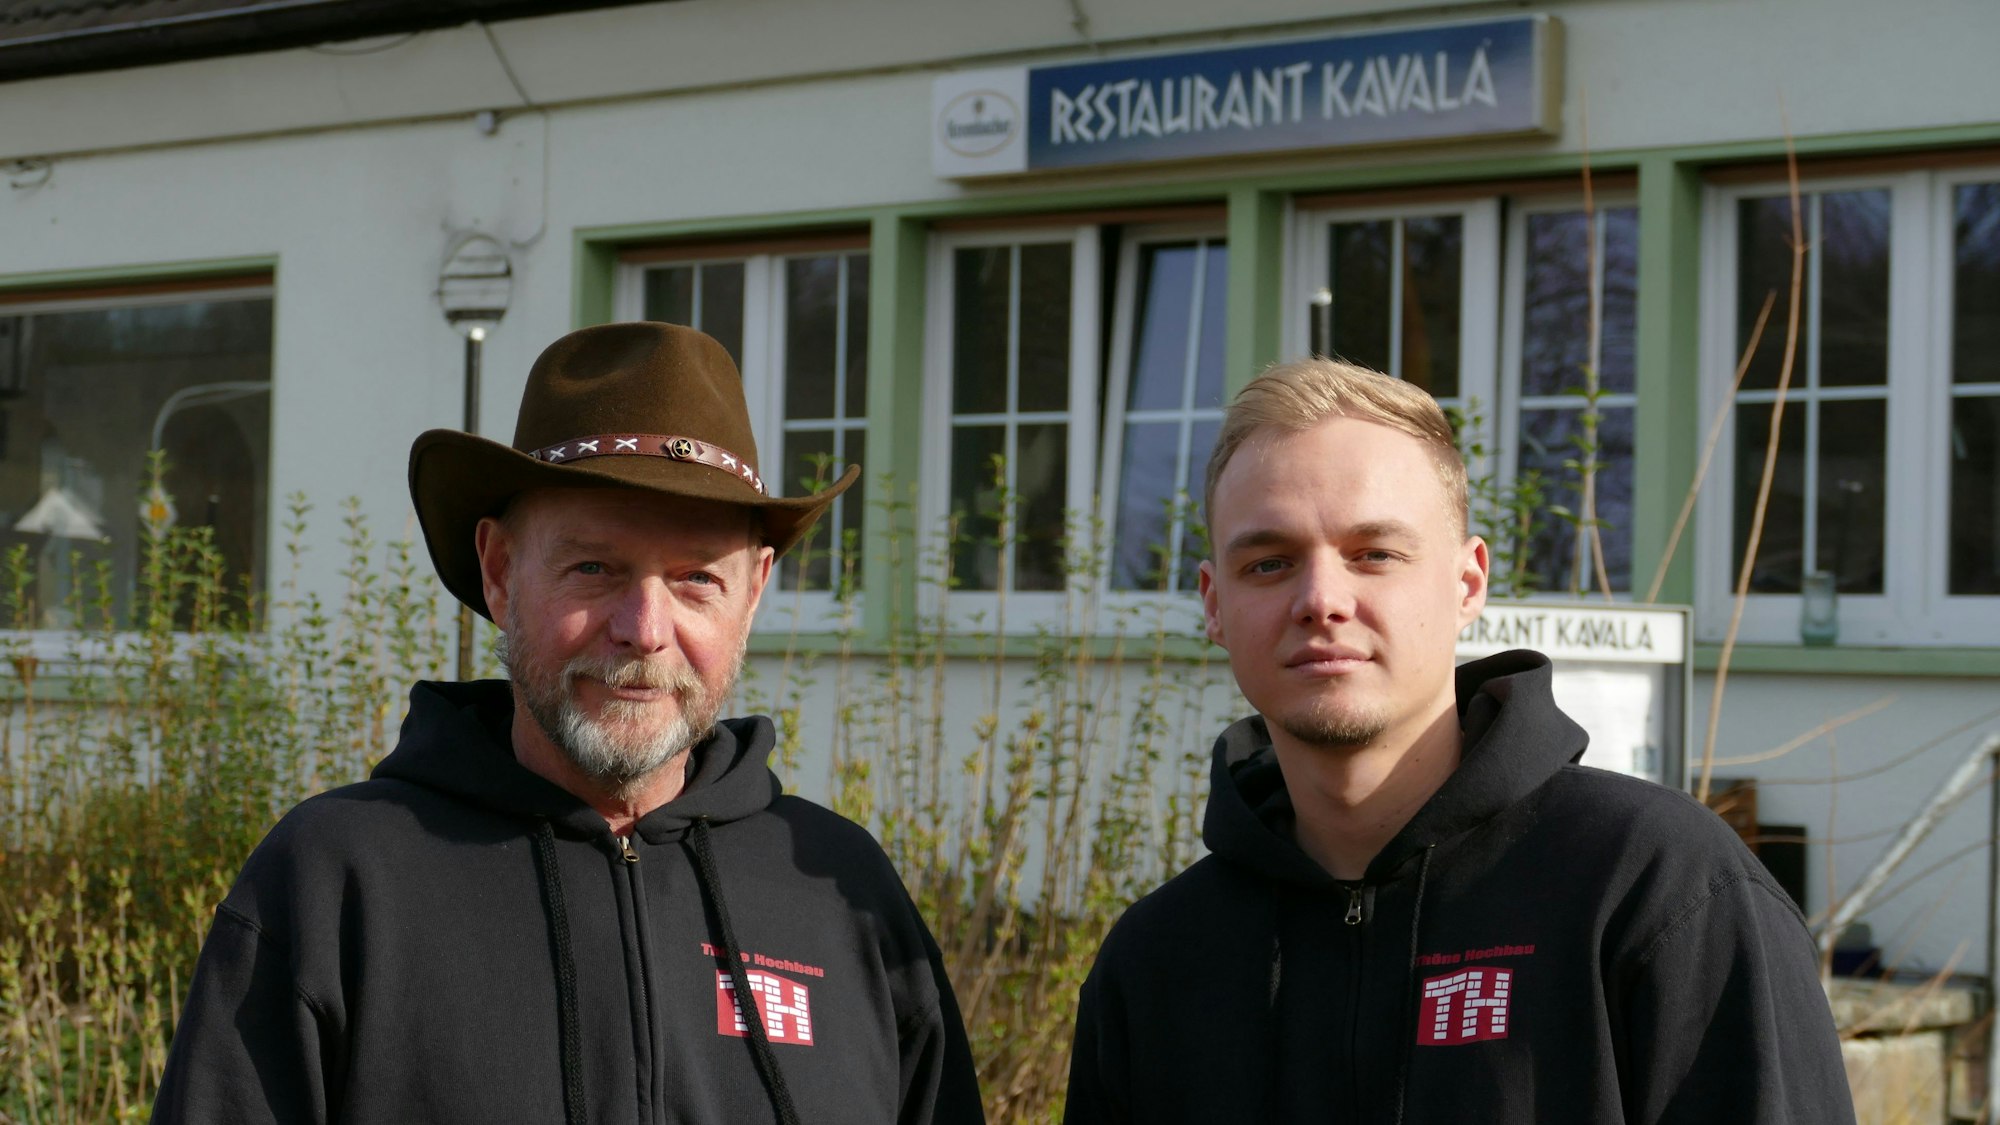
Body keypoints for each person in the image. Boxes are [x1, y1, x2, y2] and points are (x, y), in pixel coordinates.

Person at [154, 322, 986, 1125]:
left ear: (756, 588)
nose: (643, 627)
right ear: (501, 571)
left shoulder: (846, 897)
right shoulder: (334, 884)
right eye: (594, 567)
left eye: (696, 577)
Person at [1063, 359, 1855, 1124]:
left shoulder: (1657, 890)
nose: (1321, 599)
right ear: (1214, 604)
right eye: (1269, 562)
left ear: (1467, 582)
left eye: (1375, 554)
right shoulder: (1158, 964)